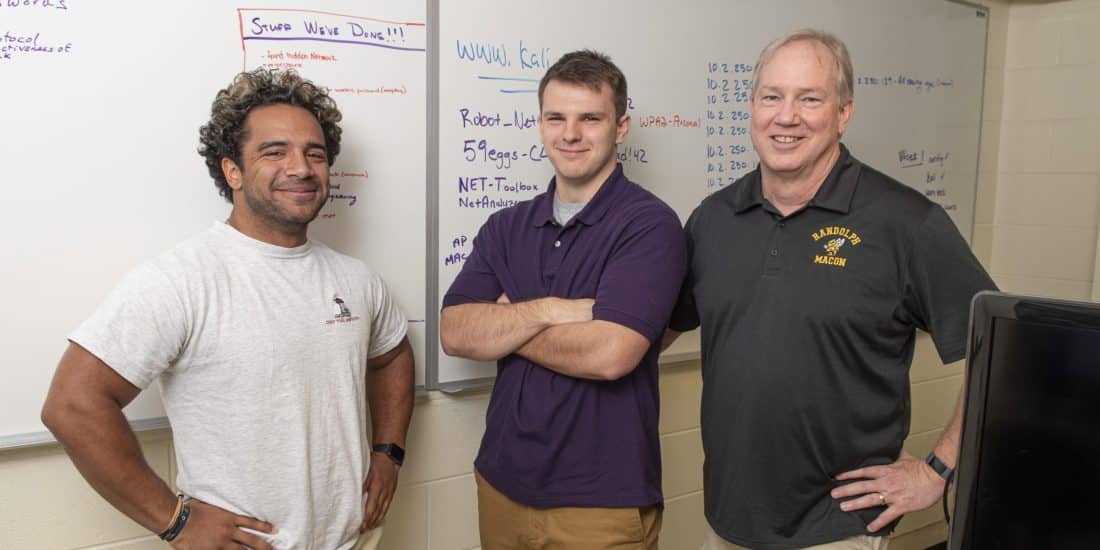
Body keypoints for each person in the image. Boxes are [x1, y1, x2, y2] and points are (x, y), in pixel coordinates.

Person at [41, 68, 414, 550]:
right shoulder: (180, 281)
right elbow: (72, 405)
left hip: (352, 540)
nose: (301, 168)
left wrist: (388, 453)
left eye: (315, 153)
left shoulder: (357, 279)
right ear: (232, 170)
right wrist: (176, 521)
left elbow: (392, 356)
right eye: (274, 152)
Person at [666, 29, 996, 550]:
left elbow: (995, 351)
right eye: (772, 97)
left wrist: (938, 470)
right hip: (728, 522)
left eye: (809, 99)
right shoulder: (713, 219)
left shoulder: (906, 223)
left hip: (838, 527)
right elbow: (652, 326)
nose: (786, 116)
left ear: (843, 113)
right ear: (752, 107)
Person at [440, 50, 687, 549]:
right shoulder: (506, 226)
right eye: (556, 118)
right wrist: (550, 310)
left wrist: (505, 323)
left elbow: (610, 354)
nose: (570, 134)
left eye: (589, 118)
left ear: (620, 127)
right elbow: (454, 332)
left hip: (601, 503)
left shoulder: (649, 226)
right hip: (501, 484)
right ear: (541, 124)